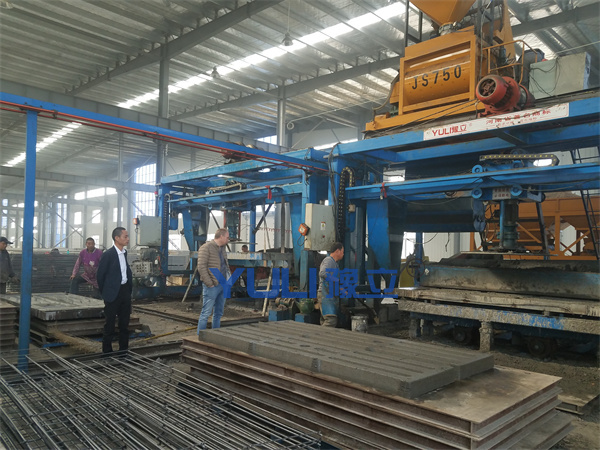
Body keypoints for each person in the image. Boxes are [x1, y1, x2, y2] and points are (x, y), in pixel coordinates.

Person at [96, 227, 132, 354]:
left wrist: (128, 289)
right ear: (117, 238)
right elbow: (100, 276)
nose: (128, 239)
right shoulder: (108, 255)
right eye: (125, 236)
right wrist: (106, 292)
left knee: (124, 324)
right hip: (112, 294)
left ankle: (123, 351)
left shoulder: (124, 253)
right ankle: (107, 352)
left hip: (124, 291)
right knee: (110, 324)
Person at [197, 228, 230, 332]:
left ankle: (215, 333)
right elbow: (201, 267)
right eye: (227, 237)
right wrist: (209, 283)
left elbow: (225, 265)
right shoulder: (206, 248)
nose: (228, 239)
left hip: (223, 284)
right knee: (206, 313)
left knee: (218, 313)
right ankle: (200, 336)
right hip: (212, 285)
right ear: (221, 236)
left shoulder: (222, 248)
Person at [317, 242, 344, 327]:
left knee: (326, 319)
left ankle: (321, 335)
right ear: (337, 251)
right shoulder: (328, 261)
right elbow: (322, 273)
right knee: (330, 320)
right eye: (342, 252)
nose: (343, 254)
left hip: (329, 294)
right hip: (325, 295)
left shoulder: (335, 263)